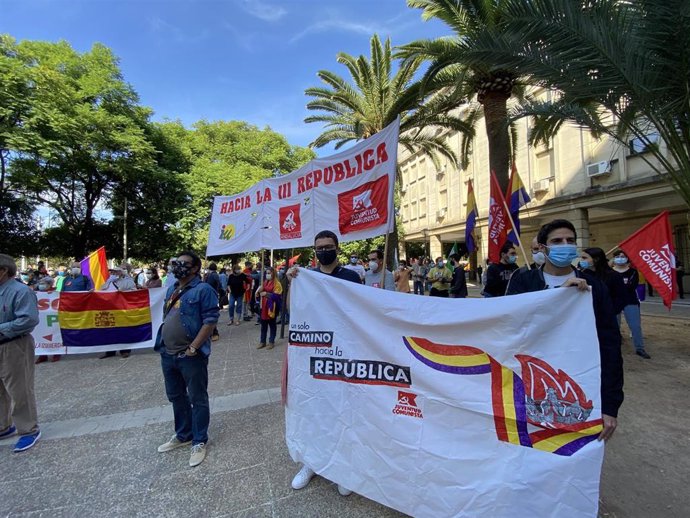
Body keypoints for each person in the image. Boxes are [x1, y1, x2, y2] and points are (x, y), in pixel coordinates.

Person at [505, 219, 624, 441]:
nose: (565, 245)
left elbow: (609, 346)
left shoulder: (594, 287)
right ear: (542, 247)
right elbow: (511, 326)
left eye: (570, 240)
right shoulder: (523, 280)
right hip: (529, 384)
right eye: (557, 241)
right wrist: (559, 296)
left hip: (577, 384)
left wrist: (610, 405)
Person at [286, 230, 360, 496]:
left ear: (337, 248)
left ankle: (343, 469)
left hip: (344, 354)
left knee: (344, 411)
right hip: (313, 356)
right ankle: (311, 462)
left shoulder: (352, 277)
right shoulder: (305, 277)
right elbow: (293, 313)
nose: (324, 251)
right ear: (314, 250)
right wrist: (292, 283)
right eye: (319, 247)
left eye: (328, 246)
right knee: (314, 410)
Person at [154, 251, 219, 467]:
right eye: (176, 262)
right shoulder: (173, 289)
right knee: (176, 396)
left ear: (194, 269)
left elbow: (209, 321)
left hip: (190, 355)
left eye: (184, 264)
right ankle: (184, 435)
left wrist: (193, 348)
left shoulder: (203, 290)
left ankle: (199, 440)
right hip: (168, 353)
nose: (178, 266)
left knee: (197, 397)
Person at [0, 254, 42, 452]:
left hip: (14, 346)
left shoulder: (20, 291)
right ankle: (3, 426)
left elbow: (28, 319)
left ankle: (28, 430)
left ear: (3, 271)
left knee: (20, 390)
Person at [612, 250, 650, 359]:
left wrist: (617, 287)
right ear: (613, 258)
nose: (620, 258)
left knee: (635, 326)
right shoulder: (609, 272)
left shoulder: (633, 272)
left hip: (630, 301)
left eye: (623, 256)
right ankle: (615, 347)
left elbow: (631, 287)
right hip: (614, 302)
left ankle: (640, 348)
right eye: (618, 256)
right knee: (614, 326)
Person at [99, 265, 137, 359]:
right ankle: (110, 351)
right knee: (109, 330)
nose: (114, 273)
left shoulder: (129, 281)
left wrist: (123, 292)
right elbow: (101, 290)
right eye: (112, 272)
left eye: (116, 272)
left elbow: (134, 293)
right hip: (111, 309)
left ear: (121, 272)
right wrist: (108, 281)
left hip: (122, 308)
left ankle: (125, 350)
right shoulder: (110, 281)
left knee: (124, 330)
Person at [255, 266, 283, 350]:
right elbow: (259, 293)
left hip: (272, 307)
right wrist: (258, 292)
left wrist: (266, 294)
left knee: (272, 324)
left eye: (269, 273)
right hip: (263, 306)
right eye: (266, 273)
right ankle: (262, 342)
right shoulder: (265, 282)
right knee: (263, 325)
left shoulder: (277, 283)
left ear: (273, 273)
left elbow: (277, 295)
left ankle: (271, 342)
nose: (267, 274)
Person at [203, 263, 221, 342]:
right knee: (211, 314)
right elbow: (218, 285)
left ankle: (214, 332)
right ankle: (213, 332)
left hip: (208, 296)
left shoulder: (207, 275)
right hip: (212, 295)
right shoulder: (214, 275)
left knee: (209, 314)